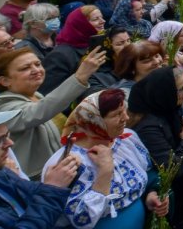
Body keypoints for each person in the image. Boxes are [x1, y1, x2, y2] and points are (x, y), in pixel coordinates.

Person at [43, 88, 168, 229]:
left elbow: (148, 173)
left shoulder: (126, 139)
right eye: (117, 114)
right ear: (95, 121)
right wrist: (105, 172)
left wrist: (150, 194)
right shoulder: (69, 162)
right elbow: (81, 219)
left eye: (124, 111)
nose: (126, 118)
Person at [0, 45, 105, 178]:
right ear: (5, 81)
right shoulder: (1, 107)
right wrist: (80, 76)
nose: (36, 70)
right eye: (25, 68)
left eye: (38, 64)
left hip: (58, 172)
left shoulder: (36, 96)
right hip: (32, 181)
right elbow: (40, 111)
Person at [128, 67, 183, 229]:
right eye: (181, 89)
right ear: (166, 92)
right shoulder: (148, 127)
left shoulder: (168, 110)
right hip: (166, 202)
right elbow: (172, 168)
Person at [40, 5, 107, 93]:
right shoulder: (60, 55)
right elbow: (49, 92)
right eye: (95, 19)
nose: (103, 21)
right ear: (81, 24)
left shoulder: (97, 46)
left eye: (102, 18)